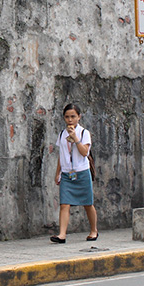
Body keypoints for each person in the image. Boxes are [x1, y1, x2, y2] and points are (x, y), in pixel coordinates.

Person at [50, 103, 98, 243]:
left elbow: (84, 152)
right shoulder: (62, 134)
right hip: (67, 173)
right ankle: (62, 234)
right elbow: (62, 154)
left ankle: (93, 230)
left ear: (79, 117)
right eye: (67, 117)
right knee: (64, 204)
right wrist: (57, 172)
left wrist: (75, 138)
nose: (70, 120)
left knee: (87, 203)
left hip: (82, 172)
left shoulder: (84, 133)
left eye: (73, 117)